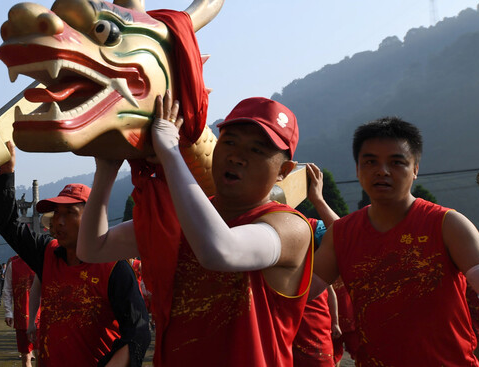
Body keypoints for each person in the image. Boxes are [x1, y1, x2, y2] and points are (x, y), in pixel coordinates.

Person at [78, 93, 314, 366]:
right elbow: (93, 248)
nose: (237, 157)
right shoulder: (187, 216)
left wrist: (169, 152)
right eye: (230, 142)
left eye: (257, 150)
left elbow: (221, 251)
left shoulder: (289, 227)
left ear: (284, 170)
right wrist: (106, 170)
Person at [313, 116, 479, 366]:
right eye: (370, 162)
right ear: (358, 169)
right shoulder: (342, 233)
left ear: (415, 170)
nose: (382, 171)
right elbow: (298, 292)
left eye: (396, 162)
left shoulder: (447, 224)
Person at [0, 143, 150, 367]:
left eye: (70, 213)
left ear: (93, 216)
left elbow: (138, 332)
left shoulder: (114, 268)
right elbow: (10, 226)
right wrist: (6, 174)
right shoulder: (48, 254)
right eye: (57, 214)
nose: (59, 222)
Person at [292, 164, 341, 367]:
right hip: (274, 330)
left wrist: (319, 201)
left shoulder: (310, 227)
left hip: (313, 329)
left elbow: (345, 238)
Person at [2, 255, 38, 367]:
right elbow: (7, 289)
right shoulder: (14, 264)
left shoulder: (42, 261)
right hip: (22, 315)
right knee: (26, 356)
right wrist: (8, 311)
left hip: (42, 315)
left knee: (42, 355)